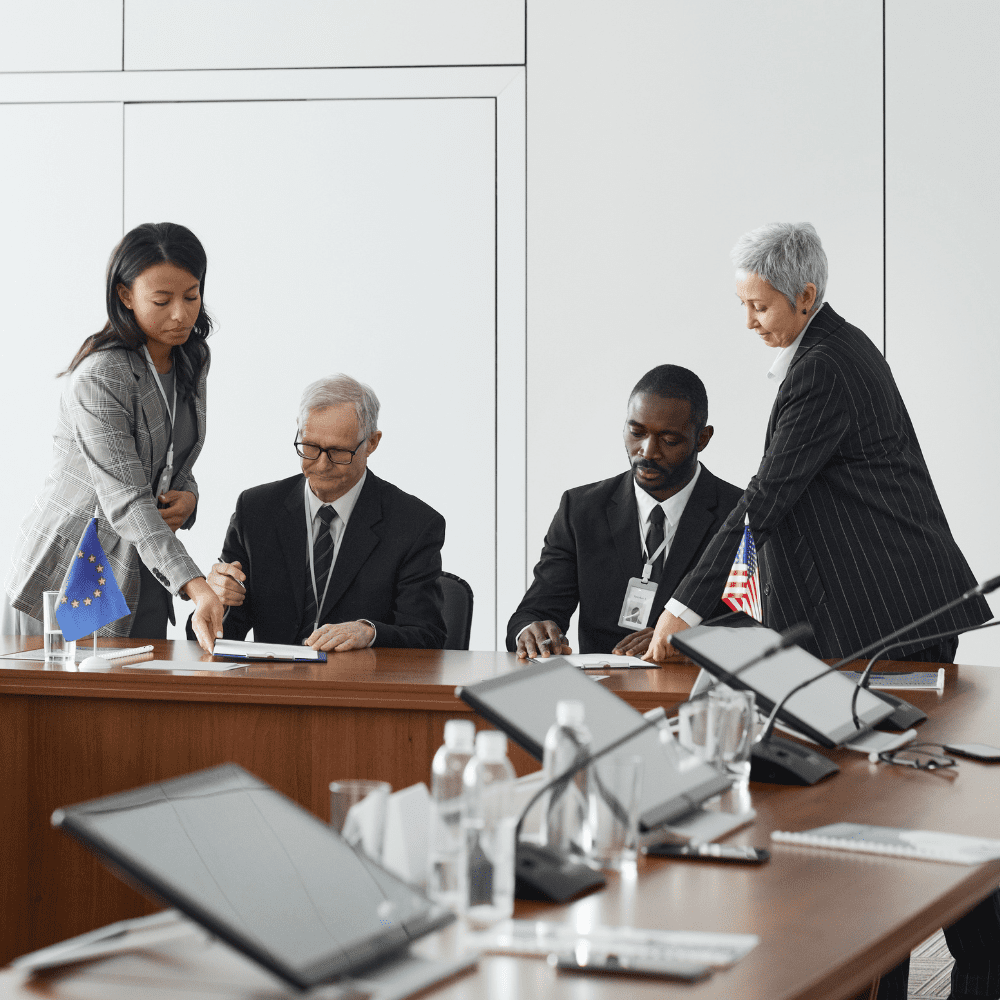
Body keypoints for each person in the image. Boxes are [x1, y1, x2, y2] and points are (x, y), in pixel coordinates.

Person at [645, 222, 996, 1000]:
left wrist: (681, 606)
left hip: (885, 620)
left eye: (759, 306)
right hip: (869, 611)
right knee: (890, 819)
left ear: (804, 295)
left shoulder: (824, 367)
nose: (749, 322)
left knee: (901, 816)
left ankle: (970, 960)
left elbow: (765, 499)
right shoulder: (827, 351)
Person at [4, 223, 224, 652]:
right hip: (78, 570)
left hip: (145, 564)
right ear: (125, 295)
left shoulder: (192, 357)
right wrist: (196, 585)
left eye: (191, 296)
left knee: (137, 712)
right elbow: (125, 497)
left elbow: (176, 457)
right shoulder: (100, 376)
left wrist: (190, 496)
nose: (180, 314)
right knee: (69, 716)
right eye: (162, 300)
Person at [507, 365, 743, 659]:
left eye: (669, 440)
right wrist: (530, 630)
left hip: (698, 692)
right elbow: (537, 609)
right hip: (604, 690)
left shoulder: (741, 514)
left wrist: (692, 639)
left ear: (702, 439)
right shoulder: (580, 510)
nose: (647, 451)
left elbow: (765, 625)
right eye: (636, 432)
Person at [205, 374, 447, 651]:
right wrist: (214, 600)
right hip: (272, 685)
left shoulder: (413, 524)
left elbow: (428, 637)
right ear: (298, 430)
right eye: (309, 448)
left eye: (337, 452)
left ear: (372, 443)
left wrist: (370, 633)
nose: (320, 465)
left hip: (358, 687)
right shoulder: (256, 510)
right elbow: (215, 635)